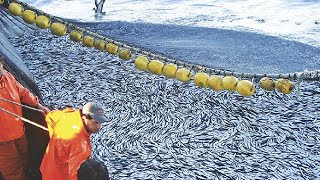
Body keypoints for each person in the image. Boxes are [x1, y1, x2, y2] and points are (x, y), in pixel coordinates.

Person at [0, 55, 50, 180]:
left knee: (25, 158)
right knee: (13, 171)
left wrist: (39, 105)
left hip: (19, 132)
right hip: (3, 142)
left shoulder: (8, 77)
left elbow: (22, 92)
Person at [40, 102, 108, 180]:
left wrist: (56, 139)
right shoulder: (80, 146)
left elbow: (50, 117)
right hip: (58, 176)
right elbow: (76, 175)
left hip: (47, 167)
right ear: (84, 118)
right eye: (95, 122)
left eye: (100, 123)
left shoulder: (68, 115)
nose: (98, 126)